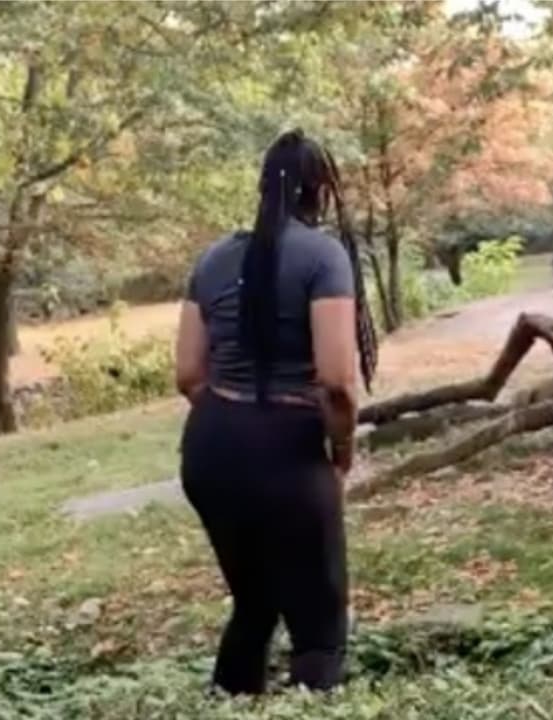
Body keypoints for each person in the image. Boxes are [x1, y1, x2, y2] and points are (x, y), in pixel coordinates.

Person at [173, 129, 377, 695]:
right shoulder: (323, 256)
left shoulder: (213, 258)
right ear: (320, 192)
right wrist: (340, 453)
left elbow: (188, 374)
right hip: (287, 448)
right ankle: (318, 700)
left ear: (264, 185)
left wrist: (234, 419)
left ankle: (230, 699)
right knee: (319, 618)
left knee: (254, 602)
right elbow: (337, 382)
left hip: (210, 447)